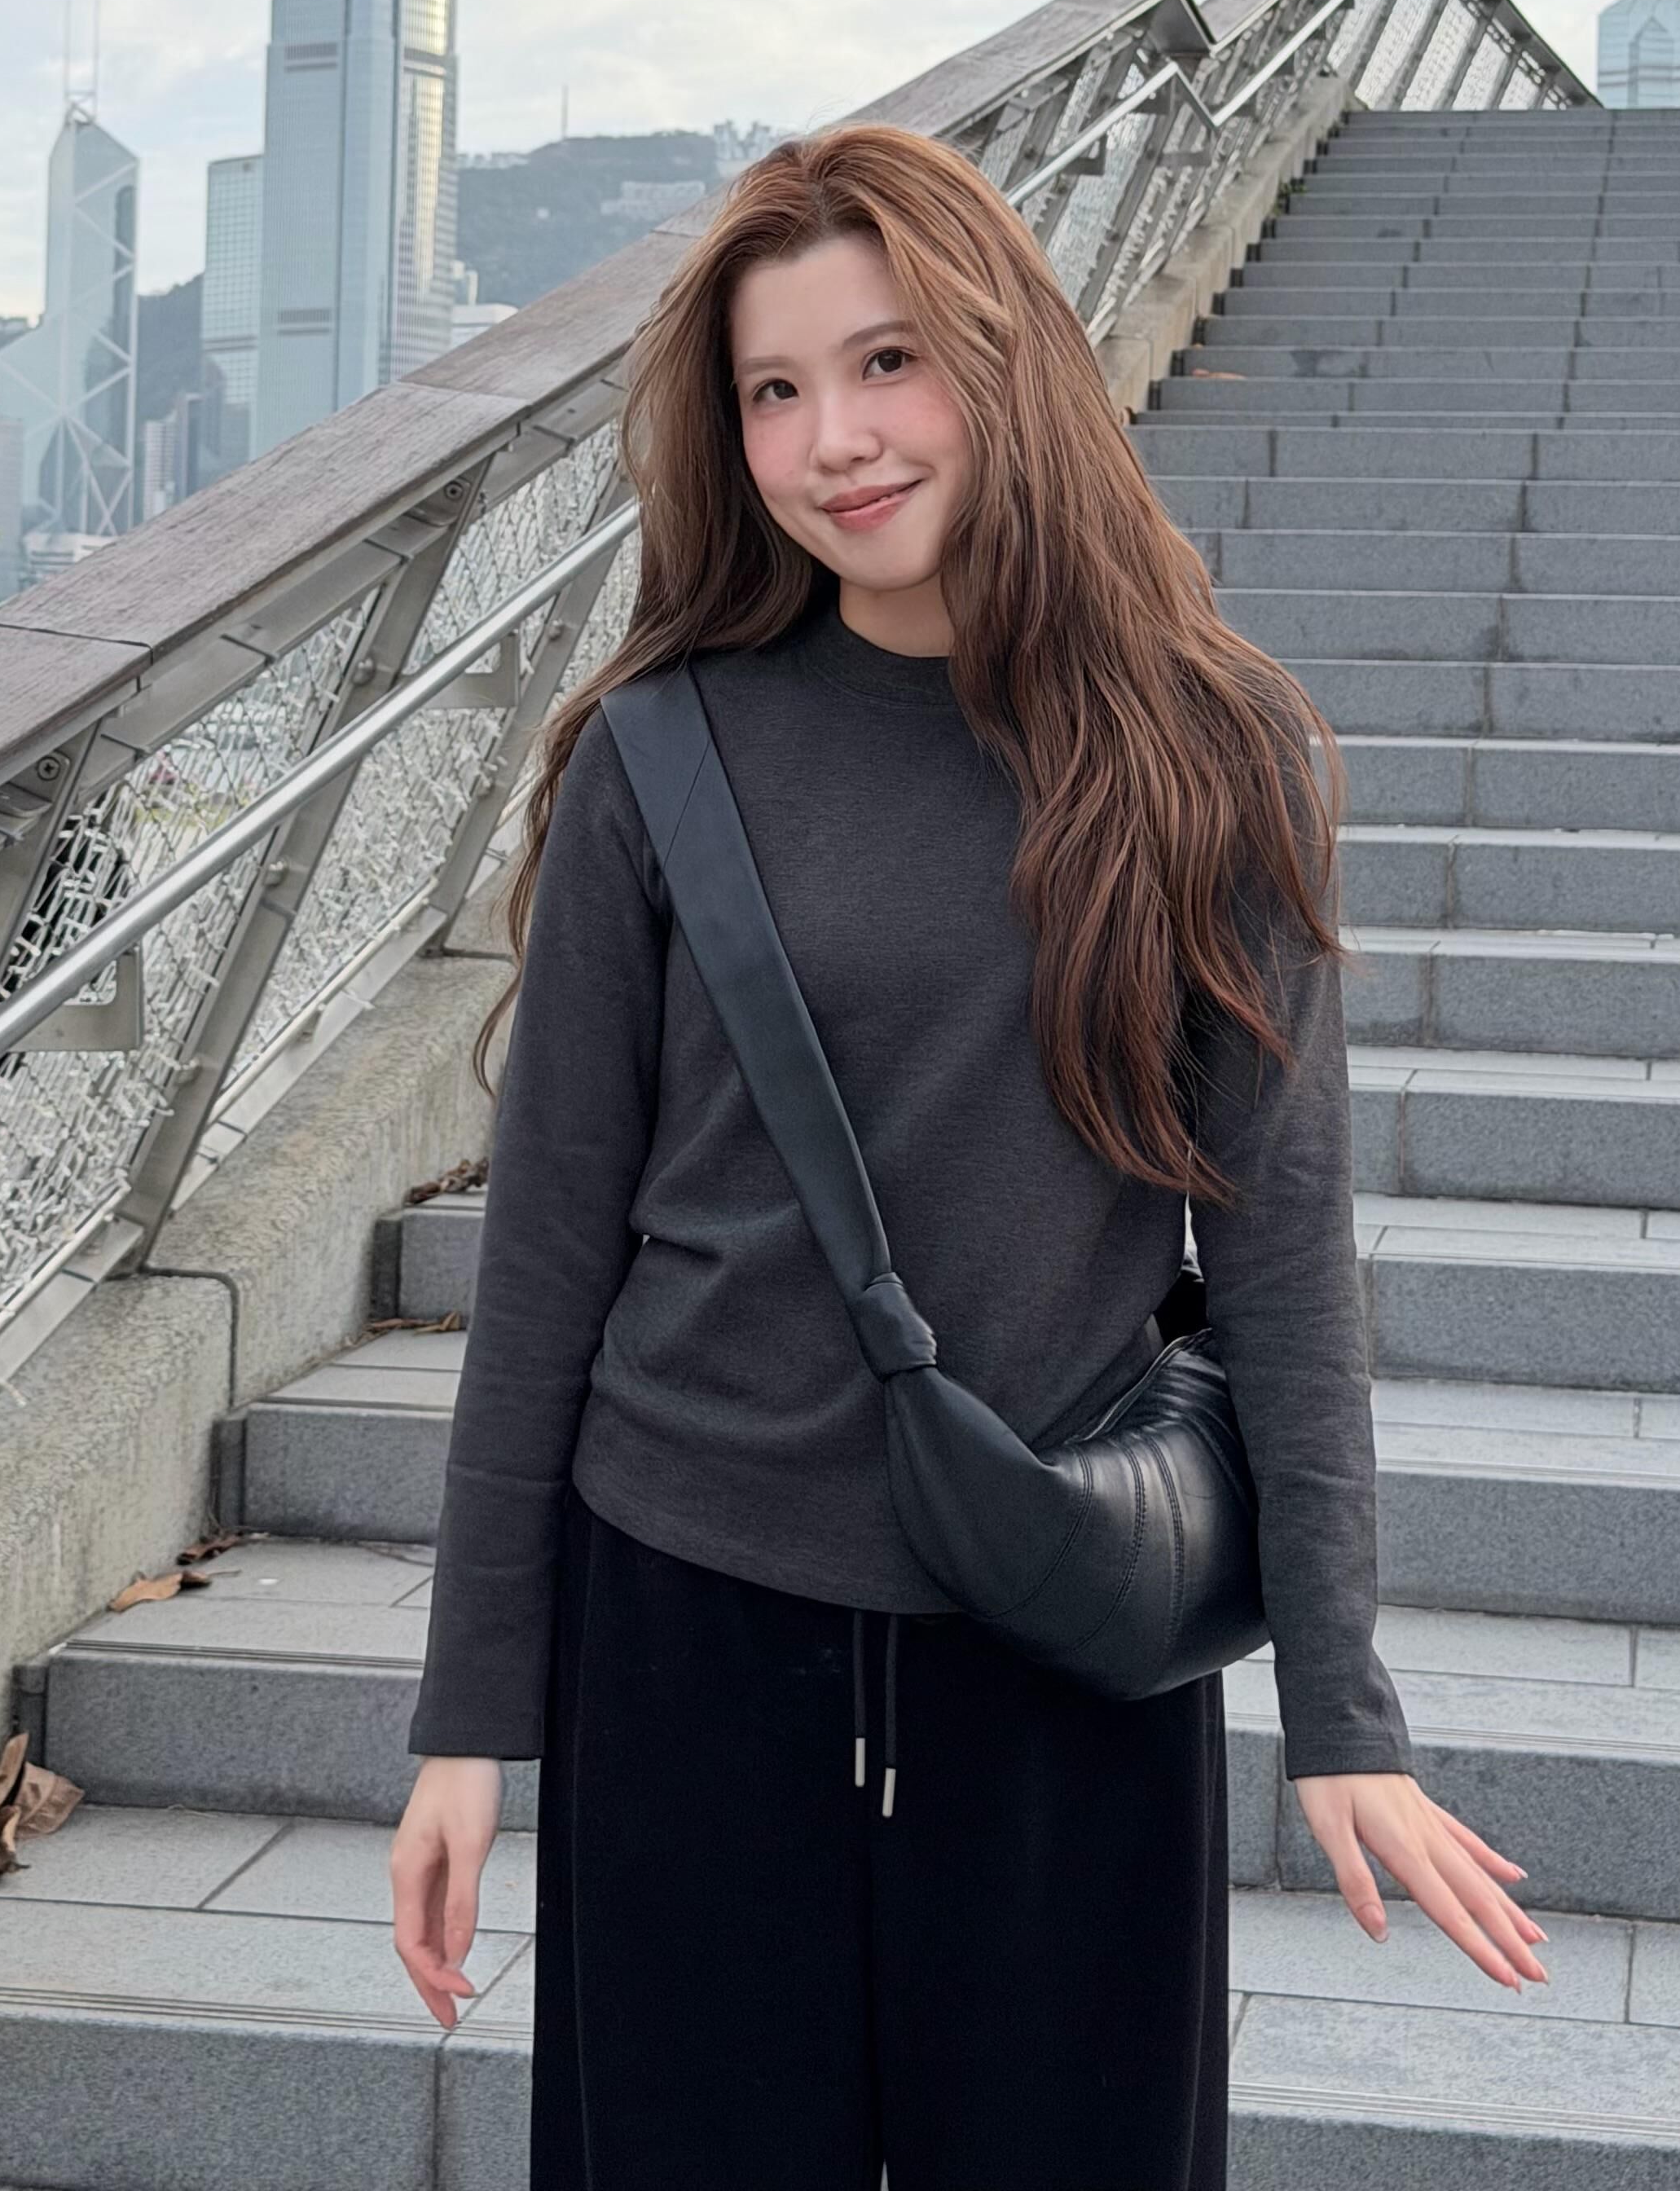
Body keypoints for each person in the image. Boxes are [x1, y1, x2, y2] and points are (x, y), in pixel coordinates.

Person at [391, 123, 1544, 2188]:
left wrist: (1341, 1707)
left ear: (1007, 358)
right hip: (687, 1629)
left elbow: (1282, 1267)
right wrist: (470, 1716)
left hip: (1068, 1634)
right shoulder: (660, 755)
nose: (833, 439)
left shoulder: (1208, 756)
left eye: (887, 362)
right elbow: (548, 1257)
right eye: (774, 389)